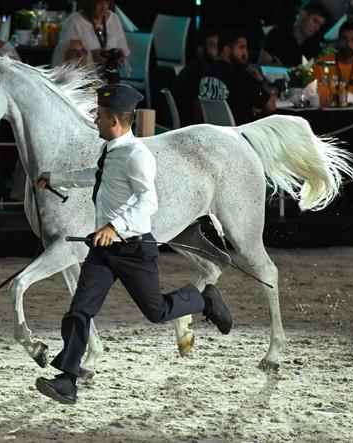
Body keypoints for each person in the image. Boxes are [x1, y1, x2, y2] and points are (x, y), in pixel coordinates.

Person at [33, 84, 233, 404]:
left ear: (114, 121)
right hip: (104, 250)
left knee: (157, 311)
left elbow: (148, 201)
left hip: (133, 249)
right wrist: (55, 178)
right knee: (80, 311)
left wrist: (115, 225)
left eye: (98, 116)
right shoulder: (110, 150)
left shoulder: (137, 155)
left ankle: (205, 300)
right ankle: (67, 380)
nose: (95, 121)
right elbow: (95, 177)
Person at [199, 28, 275, 125]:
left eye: (246, 49)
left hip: (214, 133)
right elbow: (270, 106)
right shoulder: (240, 76)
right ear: (227, 50)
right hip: (241, 134)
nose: (246, 54)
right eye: (241, 48)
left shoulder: (206, 74)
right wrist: (260, 82)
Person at [56, 0, 129, 83]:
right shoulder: (74, 21)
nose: (104, 8)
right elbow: (66, 54)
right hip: (84, 80)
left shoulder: (114, 18)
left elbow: (123, 49)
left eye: (107, 3)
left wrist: (120, 55)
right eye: (99, 3)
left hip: (111, 77)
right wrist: (90, 55)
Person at [259, 0, 330, 67]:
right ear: (303, 14)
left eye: (320, 25)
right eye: (315, 21)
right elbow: (262, 63)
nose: (317, 28)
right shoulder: (279, 33)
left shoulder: (314, 45)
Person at [172, 28, 219, 126]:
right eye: (213, 46)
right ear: (200, 49)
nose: (218, 51)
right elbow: (198, 114)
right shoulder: (196, 73)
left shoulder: (198, 68)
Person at [312, 20, 353, 94]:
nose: (348, 44)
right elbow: (313, 97)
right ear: (338, 40)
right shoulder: (320, 65)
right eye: (344, 39)